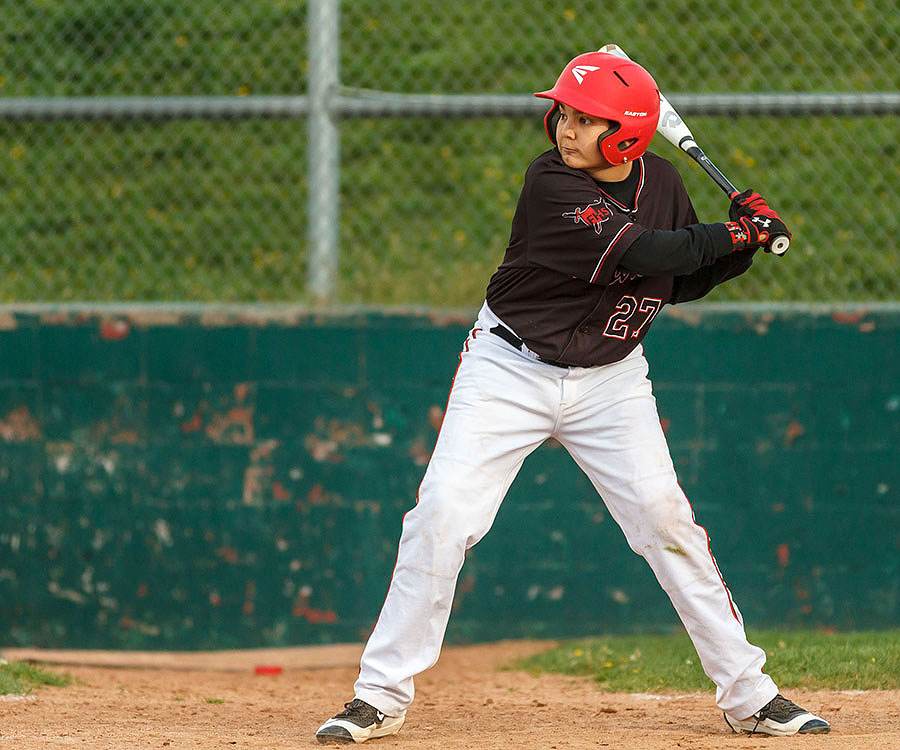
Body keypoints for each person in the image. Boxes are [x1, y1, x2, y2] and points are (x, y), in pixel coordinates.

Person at [315, 51, 829, 743]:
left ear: (626, 134)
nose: (567, 129)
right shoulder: (549, 183)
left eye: (589, 121)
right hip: (509, 370)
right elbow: (651, 254)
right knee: (441, 515)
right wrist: (733, 232)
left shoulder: (665, 183)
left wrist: (744, 241)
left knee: (667, 522)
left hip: (612, 383)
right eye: (567, 113)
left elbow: (684, 276)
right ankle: (377, 696)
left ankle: (751, 696)